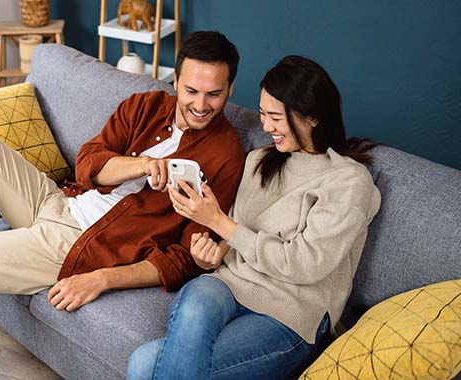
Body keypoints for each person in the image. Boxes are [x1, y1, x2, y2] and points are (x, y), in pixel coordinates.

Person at [0, 31, 246, 354]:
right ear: (176, 80)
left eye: (214, 94)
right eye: (191, 91)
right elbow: (88, 163)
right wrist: (139, 166)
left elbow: (183, 258)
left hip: (78, 243)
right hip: (59, 199)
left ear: (230, 88)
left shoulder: (227, 156)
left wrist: (102, 278)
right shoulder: (145, 105)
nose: (201, 105)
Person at [127, 55, 382, 380]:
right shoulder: (259, 160)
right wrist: (212, 253)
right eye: (263, 114)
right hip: (229, 286)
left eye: (275, 117)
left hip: (290, 311)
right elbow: (234, 241)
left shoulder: (348, 180)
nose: (265, 127)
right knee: (195, 301)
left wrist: (219, 222)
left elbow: (305, 265)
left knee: (142, 364)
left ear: (313, 116)